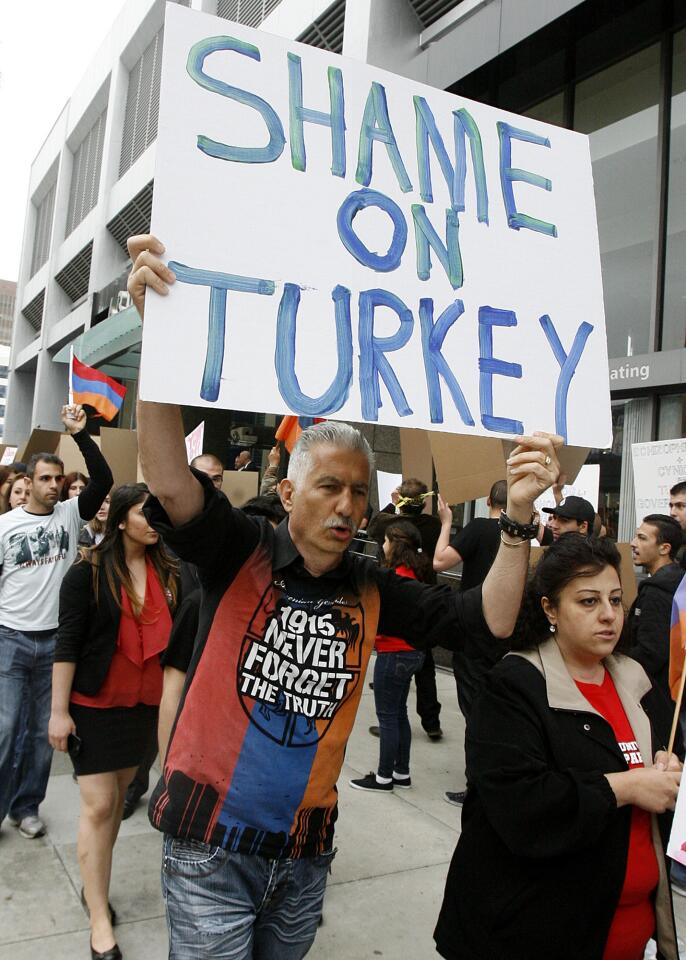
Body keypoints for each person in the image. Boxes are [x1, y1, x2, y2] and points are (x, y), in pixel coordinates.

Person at [127, 231, 560, 960]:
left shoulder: (372, 587)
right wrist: (160, 344)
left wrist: (517, 516)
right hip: (209, 848)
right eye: (329, 487)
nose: (347, 506)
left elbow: (485, 622)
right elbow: (171, 485)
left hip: (305, 856)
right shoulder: (241, 549)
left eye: (360, 493)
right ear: (289, 489)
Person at [434, 534, 681, 960]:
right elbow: (520, 804)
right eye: (588, 602)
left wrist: (669, 768)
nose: (608, 616)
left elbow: (659, 766)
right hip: (532, 931)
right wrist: (625, 787)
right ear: (549, 607)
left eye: (616, 600)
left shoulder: (635, 680)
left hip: (629, 933)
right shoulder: (514, 686)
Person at [49, 483, 179, 960]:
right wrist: (59, 712)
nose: (154, 522)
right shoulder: (88, 573)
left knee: (119, 797)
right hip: (94, 706)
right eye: (147, 513)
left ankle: (94, 884)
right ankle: (99, 917)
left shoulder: (171, 572)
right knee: (100, 805)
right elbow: (68, 643)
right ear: (121, 519)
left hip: (144, 710)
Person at [0, 406, 113, 840]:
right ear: (27, 482)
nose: (52, 486)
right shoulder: (7, 527)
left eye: (57, 480)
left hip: (55, 644)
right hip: (11, 640)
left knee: (45, 730)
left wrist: (83, 435)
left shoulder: (69, 515)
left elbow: (102, 481)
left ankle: (27, 807)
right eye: (44, 479)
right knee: (8, 729)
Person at [434, 480, 509, 806]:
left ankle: (477, 784)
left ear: (489, 500)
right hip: (509, 632)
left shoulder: (479, 528)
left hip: (476, 629)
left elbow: (439, 562)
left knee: (475, 709)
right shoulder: (523, 533)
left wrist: (447, 523)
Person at [350, 521, 431, 792]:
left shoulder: (395, 577)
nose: (382, 547)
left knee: (387, 717)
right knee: (399, 714)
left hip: (394, 652)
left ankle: (384, 776)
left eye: (385, 541)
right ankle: (401, 772)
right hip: (411, 653)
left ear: (395, 544)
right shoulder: (414, 573)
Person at [368, 478, 444, 741]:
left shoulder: (393, 525)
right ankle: (431, 720)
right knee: (426, 666)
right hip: (428, 598)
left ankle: (392, 720)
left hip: (399, 601)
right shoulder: (434, 525)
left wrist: (393, 503)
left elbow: (373, 526)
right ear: (423, 502)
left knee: (394, 667)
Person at [629, 515, 683, 699]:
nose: (633, 543)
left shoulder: (658, 591)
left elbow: (651, 652)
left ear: (664, 548)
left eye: (642, 538)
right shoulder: (677, 582)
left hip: (658, 694)